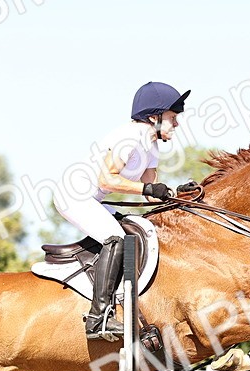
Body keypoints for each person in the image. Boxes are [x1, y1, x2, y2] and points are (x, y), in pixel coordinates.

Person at [52, 81, 195, 340]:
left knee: (136, 231)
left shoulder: (151, 145)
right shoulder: (130, 137)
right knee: (116, 238)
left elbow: (151, 192)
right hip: (74, 196)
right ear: (154, 117)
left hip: (94, 200)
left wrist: (177, 194)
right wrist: (148, 189)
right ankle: (98, 319)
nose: (177, 123)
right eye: (173, 117)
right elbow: (107, 179)